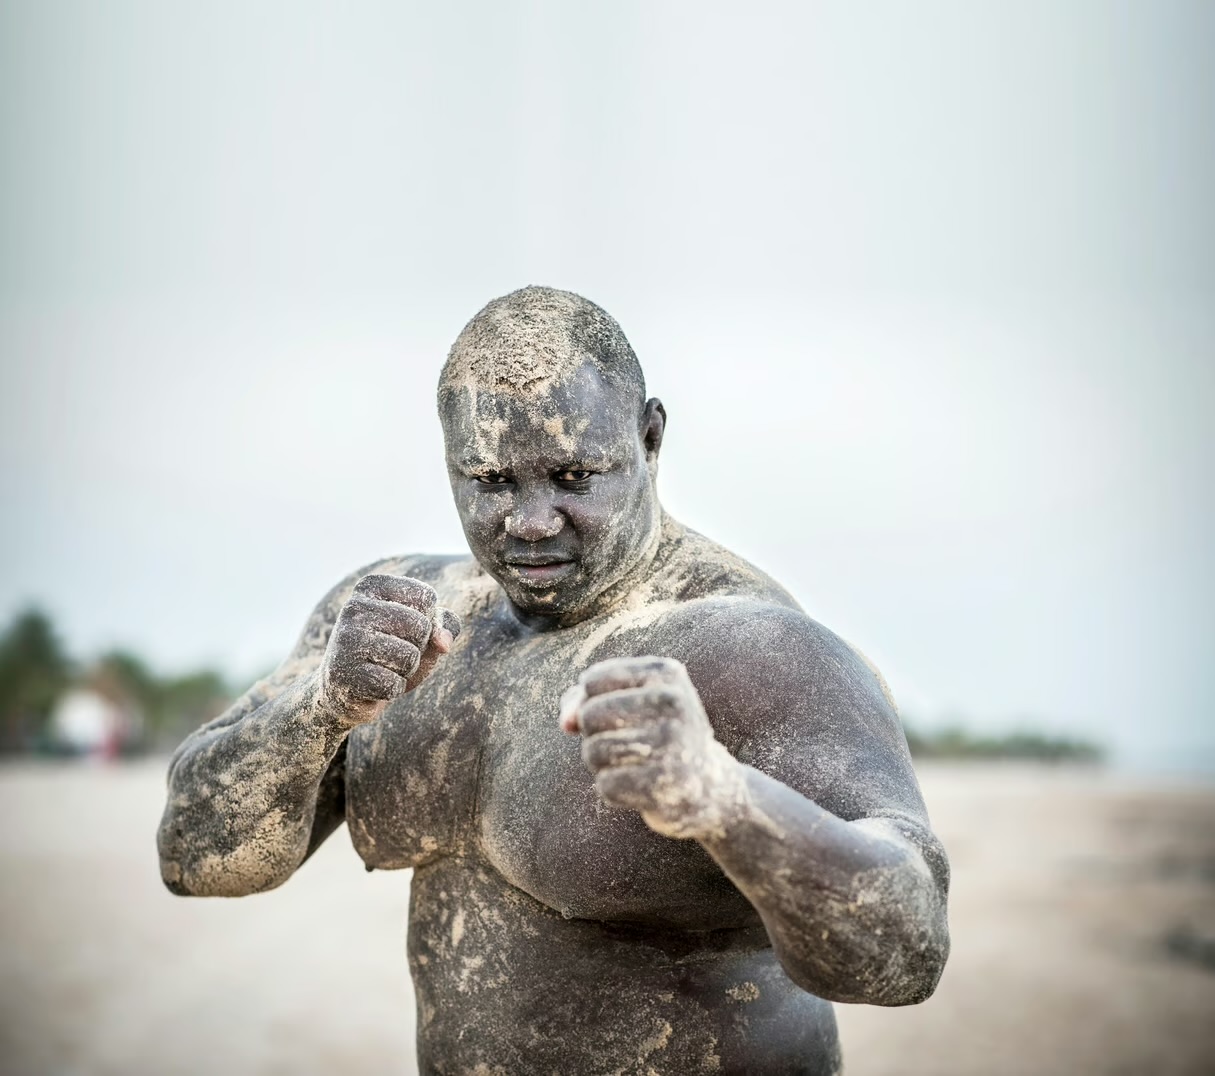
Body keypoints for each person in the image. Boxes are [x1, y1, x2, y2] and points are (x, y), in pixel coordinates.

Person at [158, 286, 950, 1074]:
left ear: (648, 438)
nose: (530, 520)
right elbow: (195, 858)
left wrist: (720, 798)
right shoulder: (395, 616)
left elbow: (906, 952)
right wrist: (320, 711)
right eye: (492, 480)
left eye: (573, 476)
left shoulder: (747, 648)